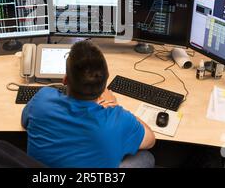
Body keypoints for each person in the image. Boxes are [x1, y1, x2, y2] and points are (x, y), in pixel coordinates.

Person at [21, 40, 156, 168]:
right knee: (146, 157)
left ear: (65, 80)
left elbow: (24, 121)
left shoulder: (42, 100)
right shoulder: (118, 119)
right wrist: (114, 106)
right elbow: (150, 140)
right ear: (104, 84)